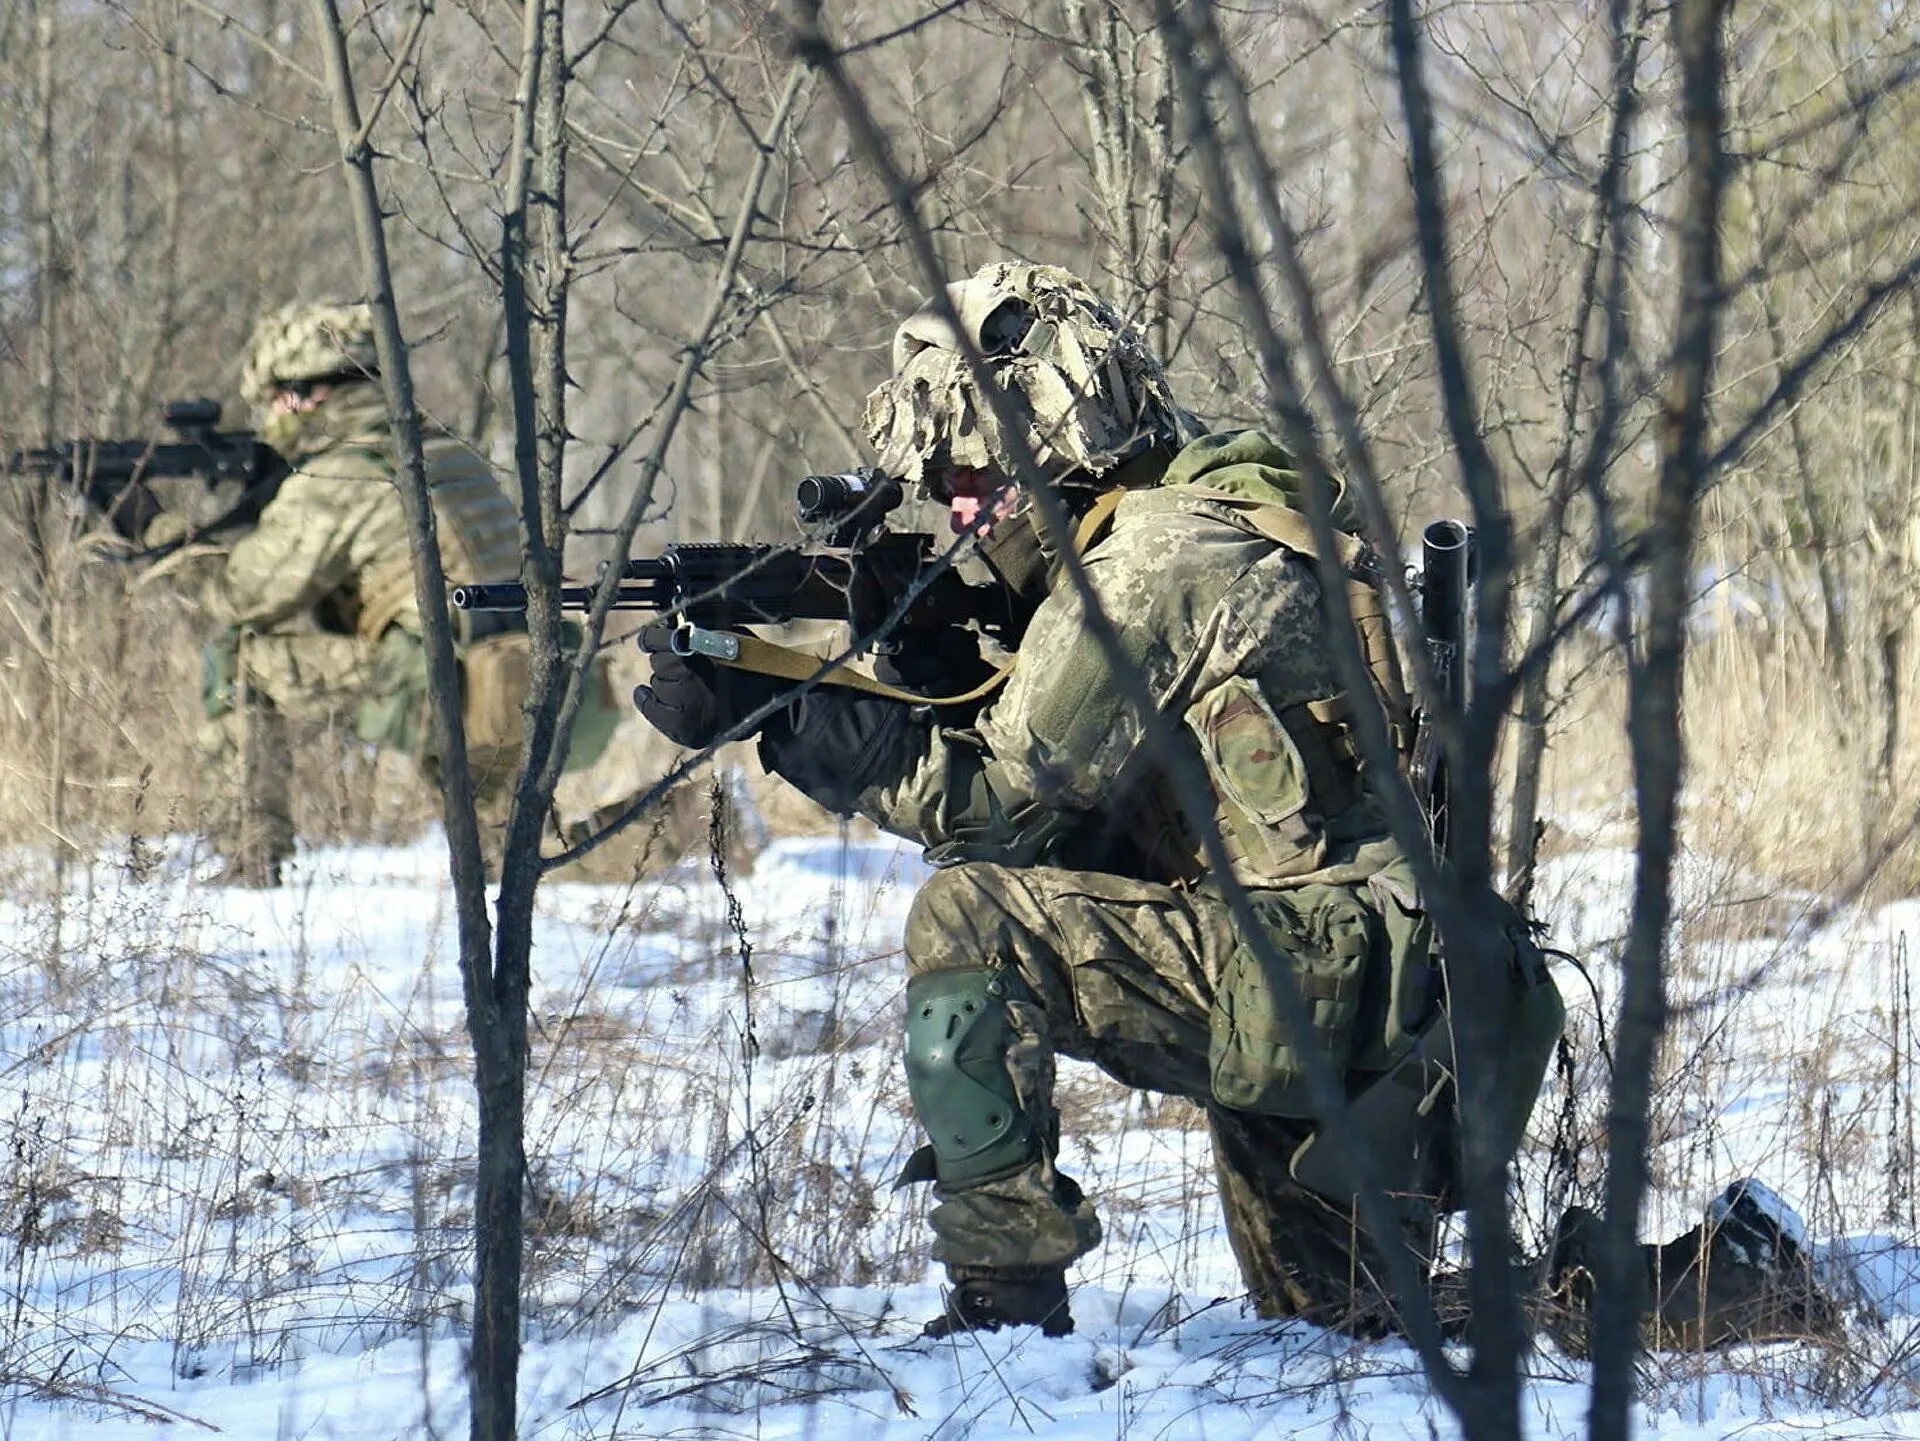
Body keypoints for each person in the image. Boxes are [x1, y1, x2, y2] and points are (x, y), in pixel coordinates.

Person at [631, 261, 1830, 1347]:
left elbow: (999, 811)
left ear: (1053, 444)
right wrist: (931, 644)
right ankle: (1727, 1277)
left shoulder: (1155, 557)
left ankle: (1003, 1305)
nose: (957, 509)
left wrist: (779, 711)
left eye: (970, 478)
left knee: (969, 918)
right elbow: (1109, 790)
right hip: (1384, 980)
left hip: (1319, 971)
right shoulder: (1214, 491)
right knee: (1346, 1317)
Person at [194, 300, 617, 883]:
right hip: (532, 672)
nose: (270, 419)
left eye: (273, 401)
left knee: (236, 659)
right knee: (514, 858)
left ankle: (251, 859)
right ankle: (682, 830)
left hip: (443, 684)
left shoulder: (338, 475)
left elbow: (239, 597)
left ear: (307, 395)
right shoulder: (448, 451)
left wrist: (160, 533)